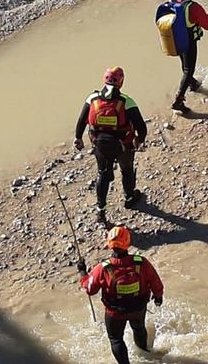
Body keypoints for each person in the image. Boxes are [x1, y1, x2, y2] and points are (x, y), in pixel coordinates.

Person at [77, 225, 165, 364]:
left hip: (115, 313)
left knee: (116, 339)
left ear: (109, 245)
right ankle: (146, 353)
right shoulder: (141, 262)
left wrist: (82, 272)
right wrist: (158, 297)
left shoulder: (103, 268)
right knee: (139, 327)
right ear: (128, 243)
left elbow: (89, 289)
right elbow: (155, 281)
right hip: (138, 308)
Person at [74, 66, 147, 222]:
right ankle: (129, 198)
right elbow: (141, 126)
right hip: (123, 145)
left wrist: (78, 138)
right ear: (121, 82)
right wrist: (139, 141)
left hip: (100, 145)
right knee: (126, 171)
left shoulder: (92, 98)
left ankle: (101, 210)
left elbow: (81, 121)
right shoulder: (127, 101)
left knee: (103, 174)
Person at [167, 0, 208, 114]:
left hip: (175, 41)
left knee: (185, 67)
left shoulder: (172, 2)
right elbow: (207, 25)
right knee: (189, 70)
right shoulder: (193, 7)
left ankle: (192, 83)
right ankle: (178, 101)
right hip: (189, 42)